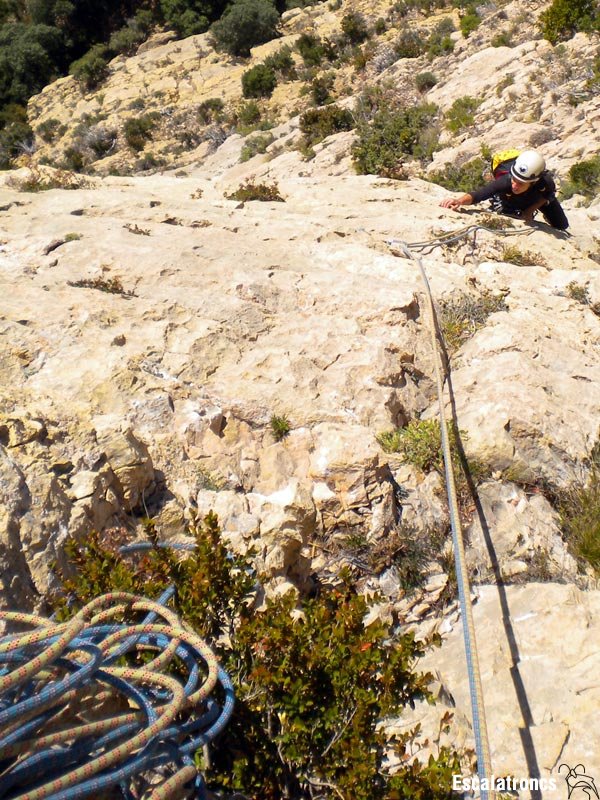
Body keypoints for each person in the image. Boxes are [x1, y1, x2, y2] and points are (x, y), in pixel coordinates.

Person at [439, 150, 569, 230]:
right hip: (513, 196)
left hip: (535, 196)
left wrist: (529, 211)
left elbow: (547, 195)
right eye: (514, 180)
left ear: (534, 181)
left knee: (561, 225)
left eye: (520, 183)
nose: (515, 185)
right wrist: (459, 201)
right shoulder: (506, 182)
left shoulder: (545, 183)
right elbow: (479, 195)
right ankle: (503, 199)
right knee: (508, 208)